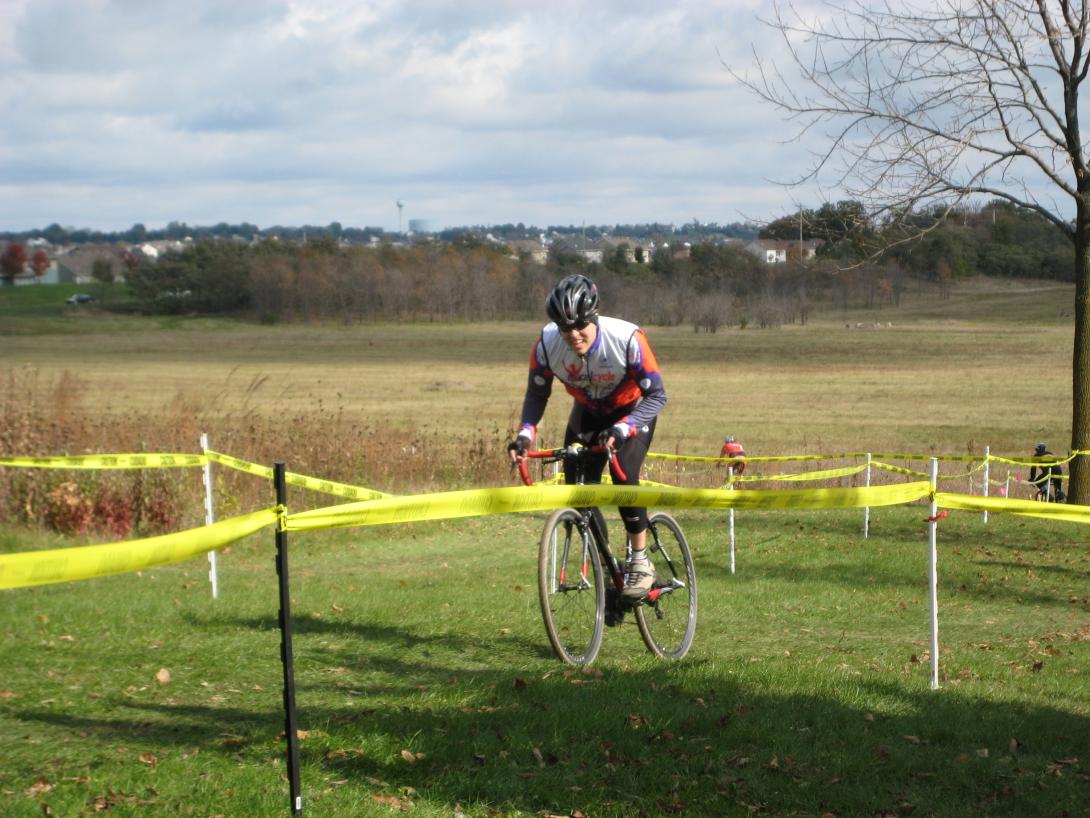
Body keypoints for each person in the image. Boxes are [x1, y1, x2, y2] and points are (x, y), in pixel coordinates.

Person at [508, 274, 667, 599]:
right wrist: (525, 434)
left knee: (624, 477)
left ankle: (640, 560)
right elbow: (536, 395)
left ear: (593, 317)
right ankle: (607, 566)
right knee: (578, 492)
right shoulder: (546, 345)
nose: (573, 335)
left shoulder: (626, 338)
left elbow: (657, 396)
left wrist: (625, 427)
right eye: (565, 328)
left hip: (633, 411)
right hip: (588, 413)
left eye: (580, 325)